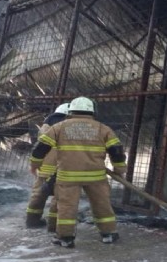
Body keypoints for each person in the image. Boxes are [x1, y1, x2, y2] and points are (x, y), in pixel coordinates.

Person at [30, 96, 126, 248]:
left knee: (67, 207)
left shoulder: (59, 127)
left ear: (71, 111)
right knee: (102, 205)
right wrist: (119, 169)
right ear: (92, 111)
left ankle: (65, 238)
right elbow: (117, 151)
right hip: (96, 176)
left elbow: (40, 148)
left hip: (68, 176)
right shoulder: (103, 128)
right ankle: (109, 234)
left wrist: (34, 165)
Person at [26, 103, 68, 229]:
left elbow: (39, 147)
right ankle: (53, 225)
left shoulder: (45, 126)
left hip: (44, 168)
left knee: (38, 194)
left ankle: (32, 221)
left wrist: (35, 165)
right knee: (59, 196)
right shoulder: (69, 128)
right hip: (61, 168)